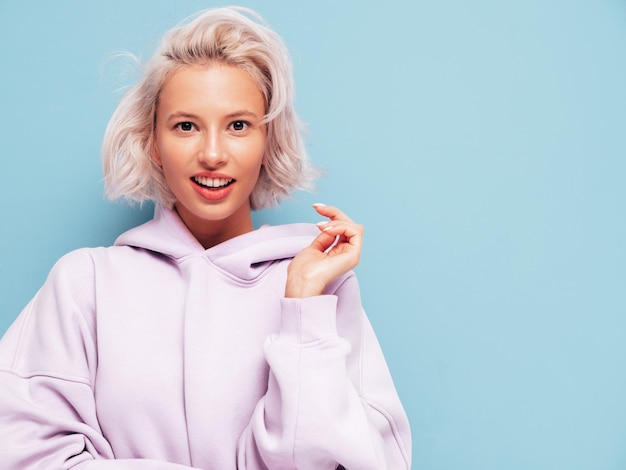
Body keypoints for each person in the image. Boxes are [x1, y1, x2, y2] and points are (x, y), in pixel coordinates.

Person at [0, 6, 411, 469]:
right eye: (186, 126)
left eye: (238, 125)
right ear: (152, 142)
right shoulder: (85, 284)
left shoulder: (320, 290)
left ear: (267, 140)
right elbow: (24, 456)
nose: (212, 154)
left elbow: (354, 461)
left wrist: (302, 312)